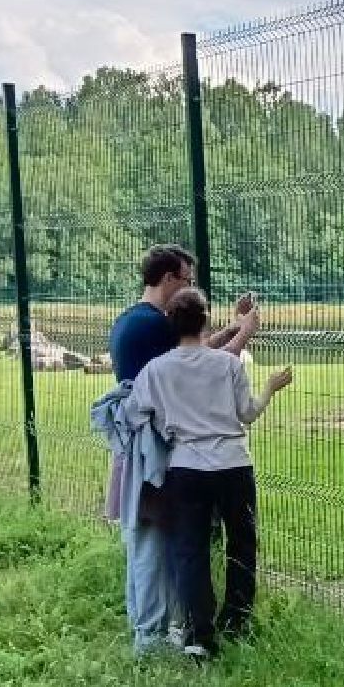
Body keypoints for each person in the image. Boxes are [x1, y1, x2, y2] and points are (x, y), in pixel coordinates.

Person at [98, 244, 257, 655]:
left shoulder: (135, 320)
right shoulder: (153, 328)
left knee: (158, 544)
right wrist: (242, 334)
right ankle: (152, 634)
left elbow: (193, 355)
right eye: (187, 279)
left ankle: (168, 629)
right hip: (159, 455)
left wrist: (230, 331)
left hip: (153, 451)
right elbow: (198, 370)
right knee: (155, 545)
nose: (188, 285)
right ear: (168, 279)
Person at [125, 288, 295, 660]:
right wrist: (270, 388)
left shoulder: (156, 370)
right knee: (241, 544)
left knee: (191, 551)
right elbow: (247, 414)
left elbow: (135, 412)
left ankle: (199, 635)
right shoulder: (228, 365)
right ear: (205, 321)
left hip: (185, 467)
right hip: (234, 464)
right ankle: (236, 621)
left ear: (171, 324)